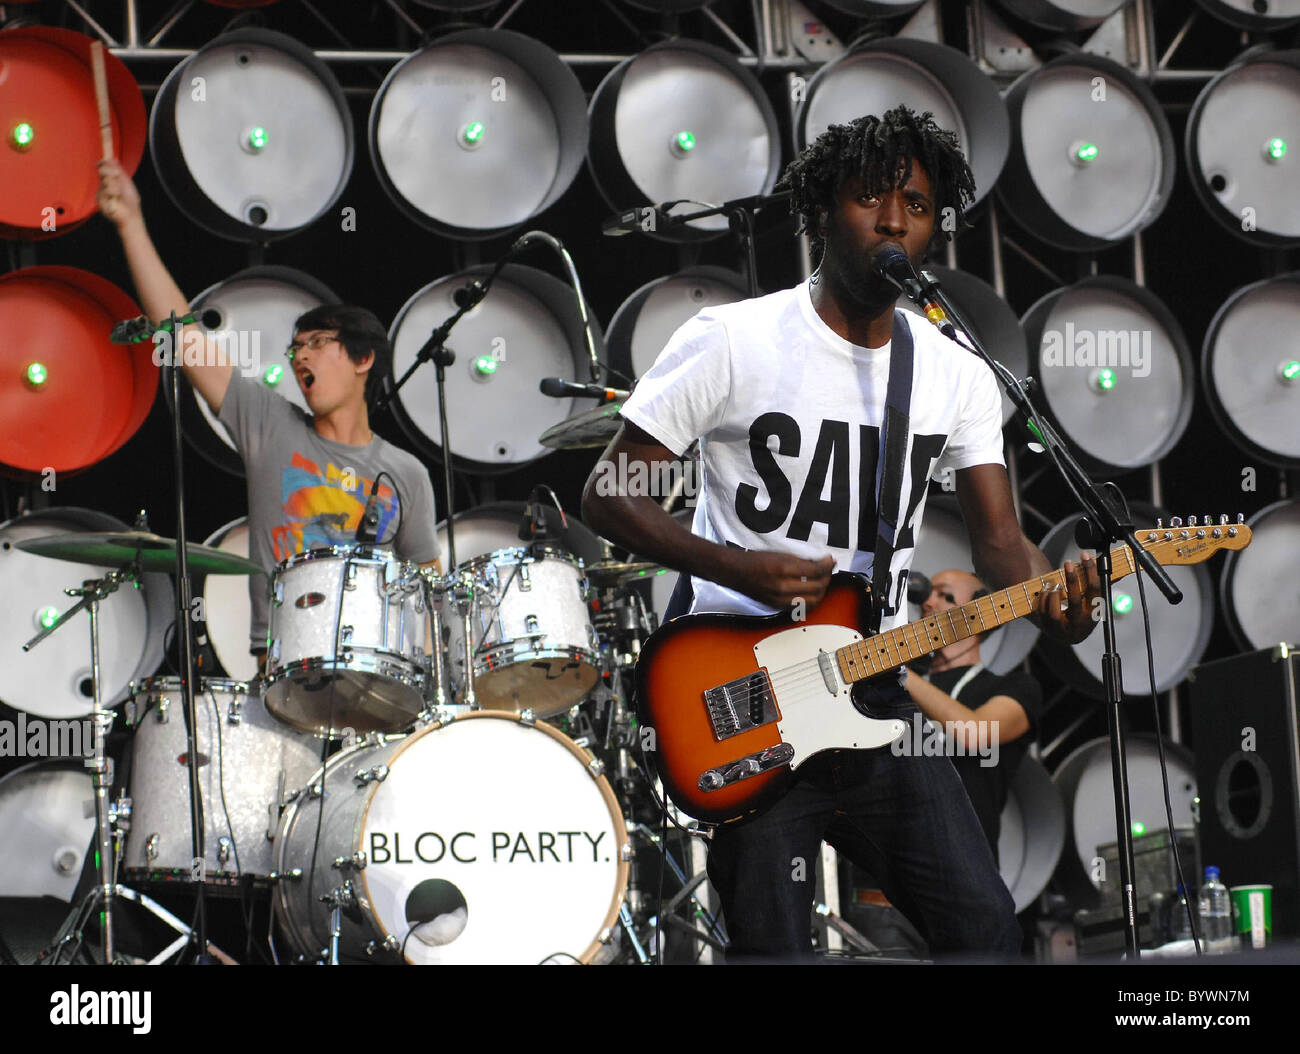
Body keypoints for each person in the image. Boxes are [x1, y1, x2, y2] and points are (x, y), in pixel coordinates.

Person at [581, 107, 1100, 961]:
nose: (895, 221)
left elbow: (1003, 550)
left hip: (876, 688)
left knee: (984, 931)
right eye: (870, 198)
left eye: (920, 206)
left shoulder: (956, 375)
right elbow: (610, 491)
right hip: (742, 692)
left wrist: (1062, 608)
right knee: (775, 948)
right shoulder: (732, 341)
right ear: (821, 210)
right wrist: (735, 565)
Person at [95, 159, 440, 669]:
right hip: (283, 665)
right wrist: (132, 223)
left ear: (364, 359)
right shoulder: (269, 423)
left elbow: (432, 599)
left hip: (378, 672)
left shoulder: (407, 473)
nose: (301, 356)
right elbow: (179, 332)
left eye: (318, 344)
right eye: (295, 348)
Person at [905, 569, 1043, 859]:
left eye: (945, 596)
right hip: (895, 857)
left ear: (978, 618)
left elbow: (976, 734)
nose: (928, 602)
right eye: (929, 593)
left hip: (965, 859)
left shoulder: (1015, 687)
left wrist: (898, 670)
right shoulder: (901, 687)